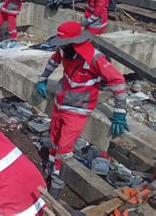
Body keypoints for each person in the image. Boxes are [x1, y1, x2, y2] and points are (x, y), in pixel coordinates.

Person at [35, 21, 128, 197]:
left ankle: (56, 184)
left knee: (64, 148)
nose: (61, 47)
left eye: (64, 43)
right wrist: (43, 78)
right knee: (54, 140)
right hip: (60, 103)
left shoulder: (94, 58)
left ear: (75, 42)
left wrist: (119, 112)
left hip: (77, 109)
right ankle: (50, 168)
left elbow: (117, 81)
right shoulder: (64, 50)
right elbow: (53, 61)